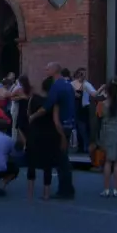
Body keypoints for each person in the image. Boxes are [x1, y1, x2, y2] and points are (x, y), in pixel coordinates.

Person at [29, 62, 76, 199]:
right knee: (63, 157)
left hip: (61, 126)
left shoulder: (57, 86)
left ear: (54, 71)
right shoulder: (68, 85)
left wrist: (32, 116)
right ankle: (67, 188)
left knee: (61, 159)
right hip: (69, 123)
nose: (45, 69)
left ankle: (65, 190)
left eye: (48, 68)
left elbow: (47, 107)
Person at [23, 77, 57, 201]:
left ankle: (30, 193)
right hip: (48, 133)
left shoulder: (33, 98)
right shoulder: (53, 101)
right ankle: (46, 193)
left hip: (34, 132)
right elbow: (56, 119)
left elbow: (28, 113)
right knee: (47, 164)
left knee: (31, 163)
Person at [99, 80, 117, 197]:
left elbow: (99, 117)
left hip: (107, 130)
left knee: (107, 161)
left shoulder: (102, 104)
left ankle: (106, 189)